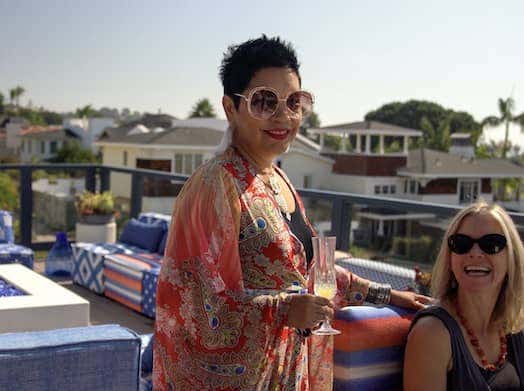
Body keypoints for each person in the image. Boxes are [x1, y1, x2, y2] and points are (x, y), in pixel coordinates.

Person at [153, 35, 430, 390]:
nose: (283, 115)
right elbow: (193, 304)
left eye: (294, 101)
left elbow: (314, 274)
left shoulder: (279, 179)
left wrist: (387, 295)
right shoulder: (216, 185)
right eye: (265, 101)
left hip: (285, 372)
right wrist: (283, 310)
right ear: (230, 108)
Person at [404, 201, 524, 391]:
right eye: (461, 244)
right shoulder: (432, 334)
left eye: (491, 244)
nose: (475, 253)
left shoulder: (516, 326)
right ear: (450, 259)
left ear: (512, 258)